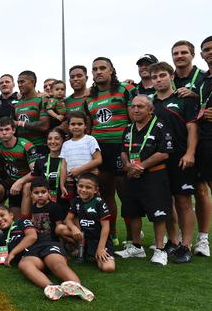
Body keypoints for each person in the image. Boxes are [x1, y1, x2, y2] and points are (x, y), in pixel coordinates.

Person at [0, 205, 94, 302]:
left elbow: (32, 236)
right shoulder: (2, 237)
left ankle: (79, 288)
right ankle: (53, 288)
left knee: (57, 264)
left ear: (11, 215)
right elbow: (6, 260)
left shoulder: (21, 222)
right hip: (31, 255)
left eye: (2, 215)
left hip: (45, 245)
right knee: (23, 264)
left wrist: (12, 253)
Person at [115, 95, 172, 265]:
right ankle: (136, 247)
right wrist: (128, 166)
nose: (135, 110)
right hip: (132, 176)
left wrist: (142, 166)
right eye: (133, 106)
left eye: (140, 106)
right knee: (132, 212)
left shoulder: (160, 126)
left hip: (154, 176)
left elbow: (164, 152)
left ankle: (160, 250)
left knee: (158, 214)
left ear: (150, 109)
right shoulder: (128, 128)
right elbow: (123, 151)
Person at [150, 64, 199, 263]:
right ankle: (173, 241)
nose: (159, 79)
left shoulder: (183, 99)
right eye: (155, 77)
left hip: (180, 158)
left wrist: (190, 153)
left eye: (163, 75)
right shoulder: (150, 103)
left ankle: (186, 245)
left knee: (183, 202)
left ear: (171, 76)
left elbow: (192, 129)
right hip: (159, 158)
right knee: (165, 202)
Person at [86, 57, 135, 245]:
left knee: (126, 194)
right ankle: (112, 234)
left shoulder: (125, 89)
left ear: (111, 70)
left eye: (102, 68)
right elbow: (89, 127)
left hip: (121, 147)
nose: (98, 72)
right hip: (100, 149)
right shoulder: (90, 97)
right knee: (106, 195)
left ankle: (132, 238)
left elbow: (135, 118)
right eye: (95, 69)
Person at [172, 40, 211, 257]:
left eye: (184, 52)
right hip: (177, 144)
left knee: (201, 189)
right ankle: (177, 235)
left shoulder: (204, 77)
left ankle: (203, 239)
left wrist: (195, 96)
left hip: (202, 139)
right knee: (179, 194)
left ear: (193, 55)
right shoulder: (170, 78)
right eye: (176, 53)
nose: (180, 56)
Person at [63, 173, 116, 273]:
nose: (83, 190)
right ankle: (79, 249)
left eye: (88, 187)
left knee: (108, 268)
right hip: (83, 238)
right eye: (81, 186)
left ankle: (95, 254)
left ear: (96, 190)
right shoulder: (77, 200)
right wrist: (74, 228)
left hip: (98, 240)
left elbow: (106, 228)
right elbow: (68, 219)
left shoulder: (99, 203)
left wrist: (100, 248)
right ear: (77, 186)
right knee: (60, 229)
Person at [0, 117, 39, 218]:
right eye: (1, 130)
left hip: (26, 183)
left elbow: (35, 171)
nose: (4, 133)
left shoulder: (26, 145)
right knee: (15, 219)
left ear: (13, 130)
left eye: (7, 129)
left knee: (27, 187)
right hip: (10, 183)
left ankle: (26, 222)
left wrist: (20, 181)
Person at [59, 111, 102, 201]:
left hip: (88, 181)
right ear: (69, 126)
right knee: (74, 206)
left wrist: (79, 170)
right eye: (73, 124)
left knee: (91, 205)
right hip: (71, 182)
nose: (76, 126)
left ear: (85, 126)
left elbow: (98, 160)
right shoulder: (66, 144)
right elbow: (63, 166)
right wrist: (62, 185)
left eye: (80, 124)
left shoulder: (90, 140)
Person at [194, 36, 212, 257]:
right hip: (202, 140)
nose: (209, 52)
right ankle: (203, 239)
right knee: (200, 189)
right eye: (206, 49)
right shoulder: (202, 80)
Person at [27, 128, 69, 215]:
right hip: (44, 203)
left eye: (57, 138)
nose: (53, 141)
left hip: (65, 202)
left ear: (63, 141)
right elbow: (35, 183)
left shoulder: (69, 159)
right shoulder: (40, 161)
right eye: (50, 139)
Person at [13, 71, 50, 155]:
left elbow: (44, 126)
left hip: (39, 147)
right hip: (21, 148)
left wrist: (20, 123)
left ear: (32, 82)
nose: (19, 85)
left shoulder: (43, 100)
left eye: (22, 82)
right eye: (18, 82)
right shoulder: (17, 104)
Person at [27, 178, 66, 242]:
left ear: (49, 192)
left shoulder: (54, 206)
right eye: (36, 193)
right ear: (31, 194)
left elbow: (59, 227)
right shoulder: (33, 207)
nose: (40, 195)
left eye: (43, 192)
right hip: (38, 241)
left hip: (52, 241)